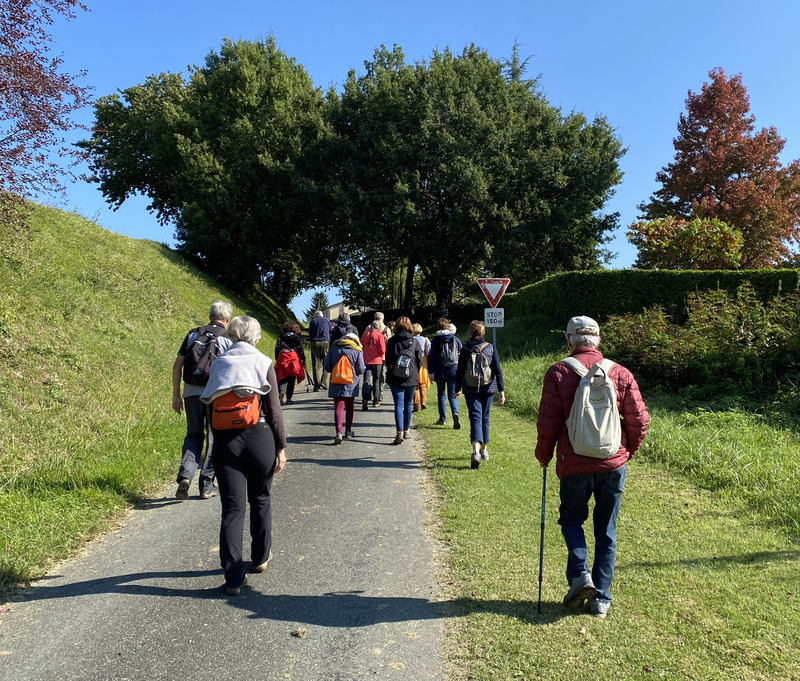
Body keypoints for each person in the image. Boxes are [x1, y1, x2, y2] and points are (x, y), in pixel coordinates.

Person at [534, 316, 649, 619]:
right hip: (613, 463)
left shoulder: (558, 372)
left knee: (572, 521)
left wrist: (544, 455)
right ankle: (602, 600)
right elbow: (639, 420)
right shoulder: (620, 373)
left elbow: (548, 423)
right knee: (606, 531)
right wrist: (627, 452)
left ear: (569, 340)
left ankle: (580, 574)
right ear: (598, 341)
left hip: (574, 464)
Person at [200, 316, 287, 595]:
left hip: (226, 441)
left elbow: (209, 408)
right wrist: (281, 446)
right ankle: (260, 558)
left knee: (232, 509)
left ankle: (233, 578)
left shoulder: (220, 363)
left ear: (233, 335)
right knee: (261, 498)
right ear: (257, 338)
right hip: (259, 435)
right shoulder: (263, 362)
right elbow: (274, 411)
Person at [171, 301, 233, 500]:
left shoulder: (193, 334)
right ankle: (206, 486)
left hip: (191, 392)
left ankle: (185, 475)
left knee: (193, 435)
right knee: (215, 437)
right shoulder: (228, 338)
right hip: (216, 394)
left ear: (210, 315)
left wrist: (176, 394)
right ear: (227, 319)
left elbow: (178, 364)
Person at [454, 320, 505, 469]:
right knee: (485, 417)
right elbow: (497, 370)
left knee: (475, 417)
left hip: (470, 388)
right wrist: (501, 391)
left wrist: (457, 389)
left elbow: (460, 372)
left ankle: (475, 451)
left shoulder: (464, 350)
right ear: (483, 333)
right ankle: (484, 451)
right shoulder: (490, 348)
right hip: (489, 387)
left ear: (470, 332)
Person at [385, 316, 423, 445]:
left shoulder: (391, 341)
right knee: (408, 404)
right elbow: (420, 361)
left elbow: (388, 359)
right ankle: (407, 430)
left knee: (398, 404)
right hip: (410, 376)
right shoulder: (415, 342)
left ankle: (399, 431)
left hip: (394, 376)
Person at [323, 332, 365, 444]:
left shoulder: (333, 348)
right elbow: (360, 369)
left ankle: (338, 433)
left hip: (336, 381)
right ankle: (349, 431)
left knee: (338, 407)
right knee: (350, 407)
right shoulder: (357, 350)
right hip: (351, 382)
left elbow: (327, 367)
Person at [427, 317, 462, 429]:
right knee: (453, 395)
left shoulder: (436, 340)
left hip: (440, 370)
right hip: (453, 370)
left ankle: (442, 418)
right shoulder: (455, 339)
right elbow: (461, 353)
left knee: (441, 394)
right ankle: (455, 413)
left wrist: (430, 372)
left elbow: (432, 357)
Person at [274, 320, 306, 405]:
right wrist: (303, 360)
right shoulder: (296, 337)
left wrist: (277, 358)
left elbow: (277, 348)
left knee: (282, 377)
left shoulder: (281, 336)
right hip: (293, 358)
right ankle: (289, 399)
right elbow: (300, 350)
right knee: (292, 379)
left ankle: (281, 391)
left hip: (282, 357)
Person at [360, 320, 386, 411]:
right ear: (378, 327)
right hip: (377, 361)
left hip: (366, 360)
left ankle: (365, 399)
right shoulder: (379, 335)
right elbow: (383, 349)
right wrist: (378, 354)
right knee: (376, 381)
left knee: (366, 381)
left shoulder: (364, 334)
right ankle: (376, 401)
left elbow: (361, 345)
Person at [308, 310, 331, 391]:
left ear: (315, 315)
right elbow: (330, 331)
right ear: (322, 315)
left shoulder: (313, 321)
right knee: (326, 363)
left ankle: (317, 384)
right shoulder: (327, 320)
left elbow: (310, 333)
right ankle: (324, 382)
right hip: (325, 342)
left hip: (315, 343)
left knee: (316, 365)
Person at [373, 312, 392, 403]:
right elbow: (389, 344)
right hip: (382, 356)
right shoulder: (386, 329)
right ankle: (380, 393)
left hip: (370, 356)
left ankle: (371, 391)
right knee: (381, 376)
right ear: (383, 319)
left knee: (371, 375)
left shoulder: (369, 328)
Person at [412, 323, 431, 412]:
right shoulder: (425, 339)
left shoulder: (411, 339)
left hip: (413, 361)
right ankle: (423, 401)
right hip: (423, 361)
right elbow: (429, 351)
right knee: (422, 382)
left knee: (415, 384)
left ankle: (416, 405)